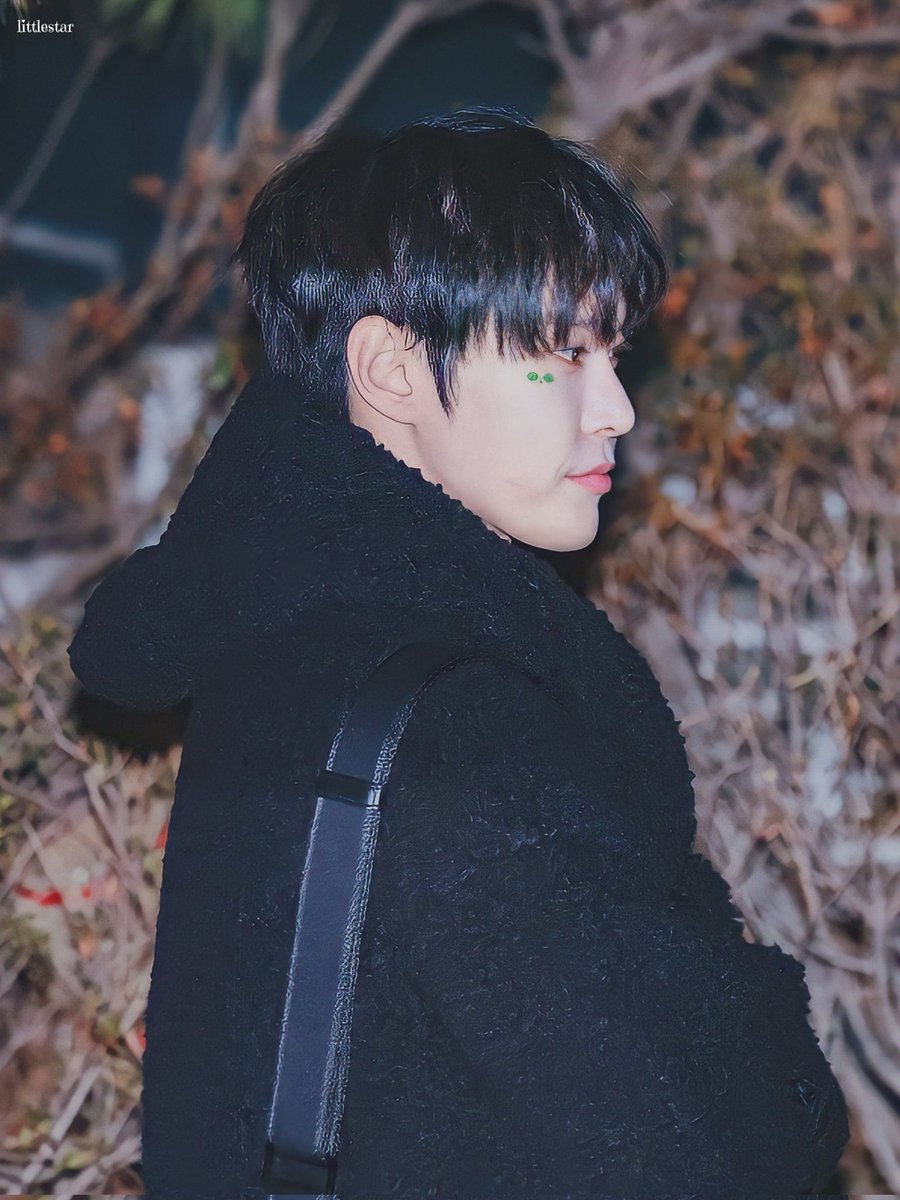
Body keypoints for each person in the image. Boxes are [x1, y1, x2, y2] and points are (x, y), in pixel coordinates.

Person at [67, 106, 850, 1198]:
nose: (617, 410)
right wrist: (769, 1037)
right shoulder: (459, 729)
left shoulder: (288, 635)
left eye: (613, 354)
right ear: (391, 370)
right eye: (561, 355)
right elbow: (690, 1152)